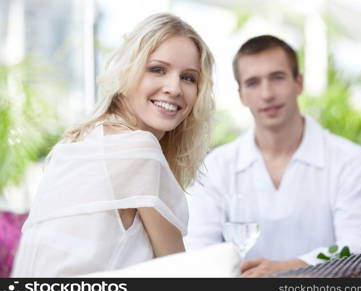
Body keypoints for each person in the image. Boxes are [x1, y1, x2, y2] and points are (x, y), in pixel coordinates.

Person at [12, 13, 215, 277]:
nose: (174, 88)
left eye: (189, 77)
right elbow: (178, 274)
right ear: (127, 71)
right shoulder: (138, 149)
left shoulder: (78, 141)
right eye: (157, 69)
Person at [185, 35, 361, 277]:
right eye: (253, 83)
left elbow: (359, 249)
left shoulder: (350, 161)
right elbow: (199, 252)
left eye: (277, 78)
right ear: (242, 95)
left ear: (298, 83)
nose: (267, 94)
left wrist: (286, 269)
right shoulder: (215, 167)